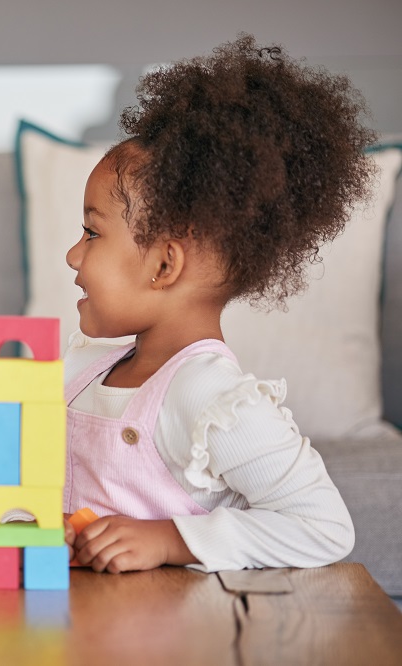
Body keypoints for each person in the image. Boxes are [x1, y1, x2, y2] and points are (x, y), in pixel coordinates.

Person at [61, 35, 374, 573]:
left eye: (91, 233)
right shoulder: (87, 370)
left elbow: (323, 527)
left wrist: (171, 540)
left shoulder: (210, 396)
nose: (72, 255)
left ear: (164, 265)